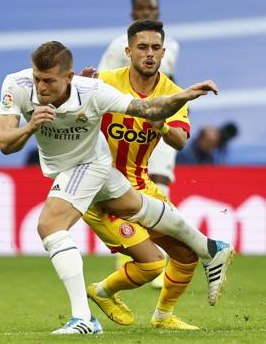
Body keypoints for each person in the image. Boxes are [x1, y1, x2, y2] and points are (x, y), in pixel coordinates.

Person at [0, 40, 233, 335]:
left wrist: (184, 95)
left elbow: (146, 107)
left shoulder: (92, 92)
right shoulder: (16, 85)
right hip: (80, 167)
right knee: (137, 207)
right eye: (37, 79)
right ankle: (208, 247)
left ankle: (83, 319)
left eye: (49, 81)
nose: (40, 87)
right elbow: (5, 143)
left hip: (89, 164)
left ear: (69, 78)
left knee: (50, 226)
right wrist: (29, 127)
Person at [81, 19, 213, 331]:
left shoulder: (174, 94)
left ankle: (163, 317)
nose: (149, 53)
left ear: (164, 52)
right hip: (101, 192)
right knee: (152, 263)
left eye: (155, 47)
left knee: (186, 255)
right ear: (128, 51)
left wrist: (162, 125)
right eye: (142, 47)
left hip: (142, 187)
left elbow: (180, 140)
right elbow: (72, 111)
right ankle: (101, 291)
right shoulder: (105, 82)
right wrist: (82, 91)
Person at [99, 0, 181, 287]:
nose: (147, 11)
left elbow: (168, 83)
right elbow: (101, 84)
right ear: (133, 12)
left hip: (157, 127)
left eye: (152, 9)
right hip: (127, 125)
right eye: (143, 8)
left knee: (159, 180)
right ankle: (129, 253)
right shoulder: (117, 46)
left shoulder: (171, 46)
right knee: (124, 188)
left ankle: (156, 252)